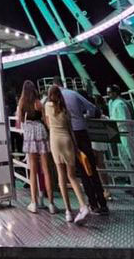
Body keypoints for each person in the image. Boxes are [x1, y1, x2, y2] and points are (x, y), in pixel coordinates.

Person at [52, 77, 108, 215]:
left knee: (82, 170)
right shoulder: (73, 94)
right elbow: (93, 109)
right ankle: (102, 203)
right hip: (82, 132)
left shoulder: (52, 100)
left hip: (68, 135)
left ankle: (92, 203)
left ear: (53, 85)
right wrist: (85, 117)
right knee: (91, 167)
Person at [44, 85, 89, 225]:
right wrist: (75, 147)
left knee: (61, 177)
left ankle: (68, 211)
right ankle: (83, 205)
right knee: (72, 176)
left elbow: (48, 125)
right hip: (68, 141)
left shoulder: (47, 107)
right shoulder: (65, 109)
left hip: (55, 141)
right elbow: (71, 130)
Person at [16, 80, 57, 214]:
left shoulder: (21, 103)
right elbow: (45, 121)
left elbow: (20, 120)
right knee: (46, 170)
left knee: (33, 170)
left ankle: (33, 203)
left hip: (29, 135)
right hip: (40, 132)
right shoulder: (39, 103)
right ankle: (51, 203)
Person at [107, 84, 134, 196]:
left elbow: (124, 119)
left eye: (110, 92)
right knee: (122, 156)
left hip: (125, 131)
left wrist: (112, 122)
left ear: (115, 92)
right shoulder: (111, 103)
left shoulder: (121, 104)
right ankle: (132, 180)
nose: (108, 94)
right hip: (116, 131)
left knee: (131, 155)